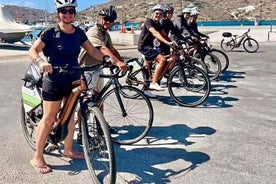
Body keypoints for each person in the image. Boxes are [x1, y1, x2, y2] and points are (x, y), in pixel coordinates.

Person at [28, 0, 115, 174]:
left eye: (71, 10)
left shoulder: (79, 33)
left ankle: (68, 149)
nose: (67, 14)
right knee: (49, 118)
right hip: (53, 80)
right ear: (58, 13)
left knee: (70, 116)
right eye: (63, 11)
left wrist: (106, 59)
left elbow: (92, 51)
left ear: (74, 12)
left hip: (74, 78)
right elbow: (33, 50)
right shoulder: (51, 32)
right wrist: (41, 62)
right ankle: (37, 157)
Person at [77, 6, 128, 143]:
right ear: (100, 18)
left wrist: (123, 63)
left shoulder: (105, 34)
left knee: (100, 99)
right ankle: (82, 134)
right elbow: (102, 49)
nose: (108, 22)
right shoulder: (93, 32)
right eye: (106, 19)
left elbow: (112, 49)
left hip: (97, 69)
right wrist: (117, 63)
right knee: (86, 102)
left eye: (111, 20)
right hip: (86, 69)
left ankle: (100, 126)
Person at [137, 4, 176, 95]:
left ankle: (146, 90)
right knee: (162, 59)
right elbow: (155, 33)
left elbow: (164, 35)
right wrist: (167, 43)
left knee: (148, 69)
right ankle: (154, 83)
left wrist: (172, 43)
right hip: (143, 46)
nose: (158, 15)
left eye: (160, 14)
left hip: (150, 46)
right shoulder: (149, 21)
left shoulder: (158, 24)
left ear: (162, 15)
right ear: (153, 13)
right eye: (157, 13)